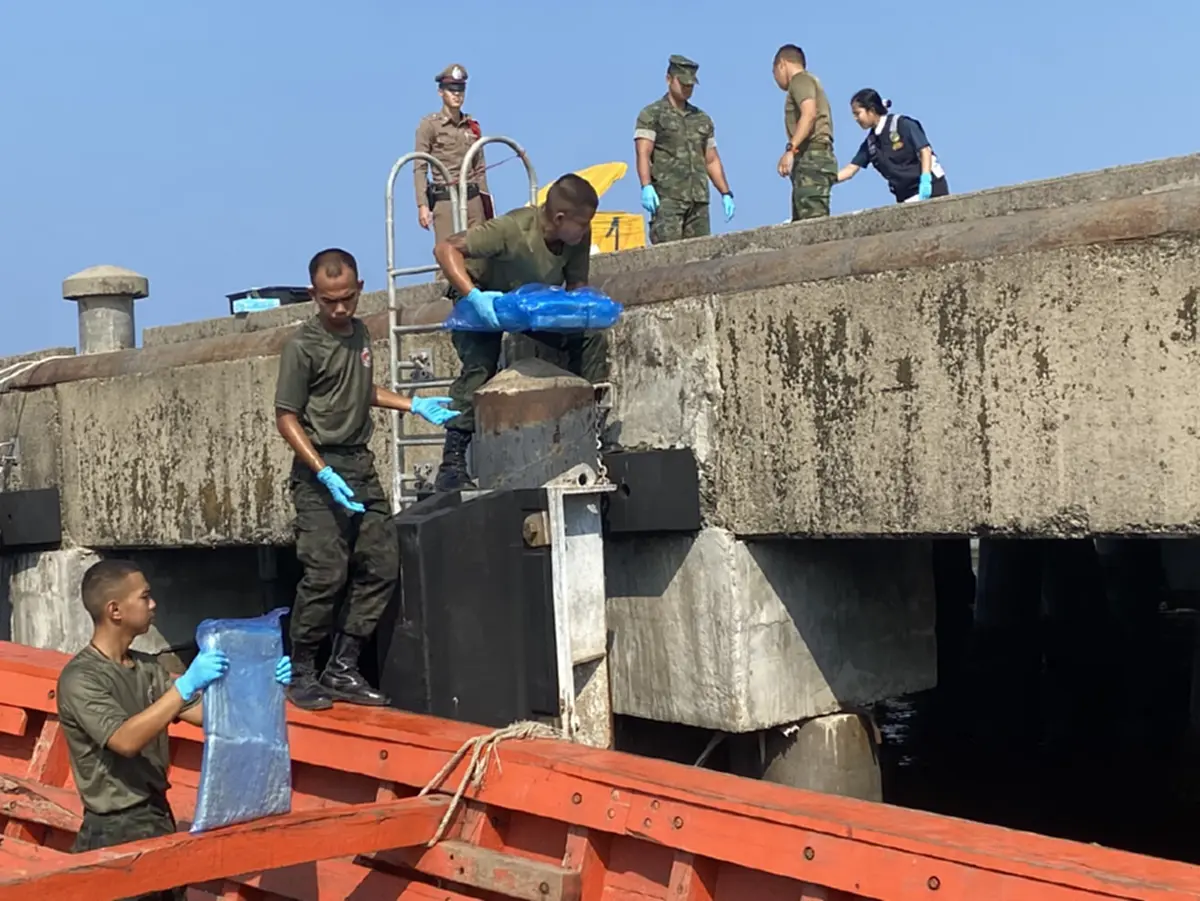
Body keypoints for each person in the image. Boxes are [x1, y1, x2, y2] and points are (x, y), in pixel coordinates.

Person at [274, 248, 460, 710]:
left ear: (359, 291)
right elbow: (285, 417)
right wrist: (321, 470)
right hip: (321, 470)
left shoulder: (359, 334)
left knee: (380, 562)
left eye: (347, 299)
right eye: (329, 301)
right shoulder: (303, 347)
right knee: (326, 572)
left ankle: (344, 665)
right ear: (314, 296)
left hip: (360, 464)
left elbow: (360, 389)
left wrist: (413, 405)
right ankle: (302, 670)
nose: (339, 309)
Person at [55, 558, 291, 901]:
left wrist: (264, 685)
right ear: (115, 610)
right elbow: (124, 740)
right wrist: (183, 688)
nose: (154, 605)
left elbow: (214, 718)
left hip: (156, 816)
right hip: (113, 829)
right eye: (145, 597)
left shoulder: (148, 669)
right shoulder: (81, 678)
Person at [430, 173, 604, 491]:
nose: (586, 228)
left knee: (589, 335)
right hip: (483, 296)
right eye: (581, 223)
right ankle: (452, 464)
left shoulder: (575, 238)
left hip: (529, 302)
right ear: (561, 217)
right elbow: (445, 249)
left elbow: (577, 286)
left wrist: (578, 313)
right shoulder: (511, 229)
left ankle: (592, 427)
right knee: (479, 367)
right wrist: (474, 297)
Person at [634, 54, 735, 244]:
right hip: (668, 199)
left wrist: (725, 193)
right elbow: (643, 153)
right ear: (669, 79)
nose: (687, 89)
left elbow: (711, 159)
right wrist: (646, 186)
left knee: (700, 258)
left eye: (691, 85)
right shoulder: (652, 114)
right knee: (667, 259)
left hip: (698, 201)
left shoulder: (702, 119)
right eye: (683, 84)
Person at [414, 64, 493, 245]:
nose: (457, 95)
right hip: (446, 199)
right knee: (448, 258)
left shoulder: (471, 126)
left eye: (460, 90)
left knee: (478, 257)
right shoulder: (430, 125)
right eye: (451, 90)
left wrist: (486, 206)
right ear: (441, 92)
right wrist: (422, 205)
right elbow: (420, 167)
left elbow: (480, 169)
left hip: (473, 198)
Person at [836, 89, 949, 203]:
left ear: (871, 110)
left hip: (931, 187)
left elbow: (925, 150)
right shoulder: (871, 143)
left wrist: (925, 180)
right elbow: (851, 169)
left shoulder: (902, 125)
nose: (855, 119)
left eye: (857, 113)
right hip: (905, 195)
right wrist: (825, 180)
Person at [772, 45, 837, 221]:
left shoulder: (800, 80)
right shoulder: (810, 81)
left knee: (814, 224)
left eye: (774, 72)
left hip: (812, 158)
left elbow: (809, 114)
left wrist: (790, 149)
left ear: (782, 64)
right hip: (812, 158)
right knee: (802, 222)